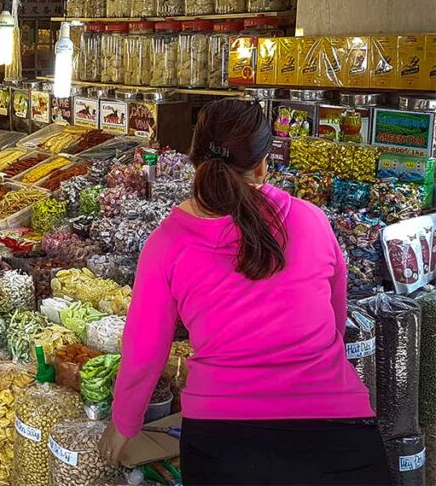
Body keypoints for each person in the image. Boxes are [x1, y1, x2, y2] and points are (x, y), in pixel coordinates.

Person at [100, 100, 385, 485]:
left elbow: (145, 350)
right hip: (341, 439)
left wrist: (125, 423)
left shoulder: (166, 244)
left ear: (193, 158)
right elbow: (333, 322)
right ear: (264, 164)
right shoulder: (312, 220)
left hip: (224, 443)